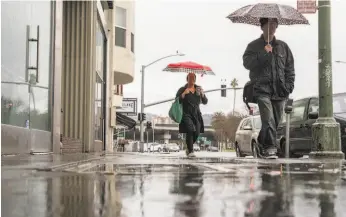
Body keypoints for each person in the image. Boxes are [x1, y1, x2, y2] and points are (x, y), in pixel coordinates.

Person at [242, 18, 295, 159]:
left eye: (274, 25)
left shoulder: (283, 47)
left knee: (275, 121)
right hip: (262, 89)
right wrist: (264, 54)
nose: (272, 27)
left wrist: (289, 86)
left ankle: (260, 141)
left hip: (280, 90)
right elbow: (247, 64)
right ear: (262, 27)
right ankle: (271, 148)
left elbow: (289, 69)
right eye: (268, 25)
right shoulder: (253, 46)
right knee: (268, 119)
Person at [176, 73, 208, 157]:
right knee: (190, 129)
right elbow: (177, 100)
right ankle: (190, 150)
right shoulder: (183, 89)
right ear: (187, 79)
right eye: (190, 78)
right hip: (186, 113)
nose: (192, 79)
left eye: (193, 78)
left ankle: (188, 146)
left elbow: (205, 102)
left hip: (196, 113)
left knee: (197, 132)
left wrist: (202, 94)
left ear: (195, 80)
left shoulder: (198, 89)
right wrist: (183, 94)